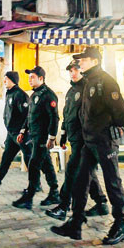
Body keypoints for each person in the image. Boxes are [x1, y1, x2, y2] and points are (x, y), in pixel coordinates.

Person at [51, 47, 124, 245]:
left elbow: (122, 114)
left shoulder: (106, 82)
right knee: (80, 180)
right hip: (89, 141)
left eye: (83, 60)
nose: (80, 63)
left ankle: (120, 224)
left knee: (112, 182)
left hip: (104, 142)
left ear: (95, 61)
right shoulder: (88, 82)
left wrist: (108, 127)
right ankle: (76, 222)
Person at [45, 60, 108, 221]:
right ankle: (101, 203)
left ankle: (63, 206)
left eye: (76, 69)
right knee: (86, 171)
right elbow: (67, 114)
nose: (72, 73)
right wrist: (63, 134)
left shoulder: (88, 88)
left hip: (84, 139)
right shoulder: (71, 91)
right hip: (74, 138)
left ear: (82, 70)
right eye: (70, 70)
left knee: (72, 171)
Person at [0, 71, 56, 194]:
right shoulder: (9, 93)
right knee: (6, 157)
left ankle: (36, 185)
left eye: (6, 79)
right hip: (12, 134)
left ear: (13, 80)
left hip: (23, 135)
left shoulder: (20, 95)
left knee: (30, 159)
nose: (4, 81)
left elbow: (27, 115)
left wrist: (23, 131)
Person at [11, 66, 60, 210]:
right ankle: (54, 192)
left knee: (33, 165)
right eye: (29, 77)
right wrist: (23, 130)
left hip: (42, 137)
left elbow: (54, 118)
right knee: (46, 164)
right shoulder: (34, 95)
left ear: (41, 78)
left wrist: (52, 137)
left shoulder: (48, 95)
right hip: (34, 135)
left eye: (32, 77)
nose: (29, 80)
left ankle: (29, 196)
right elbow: (30, 116)